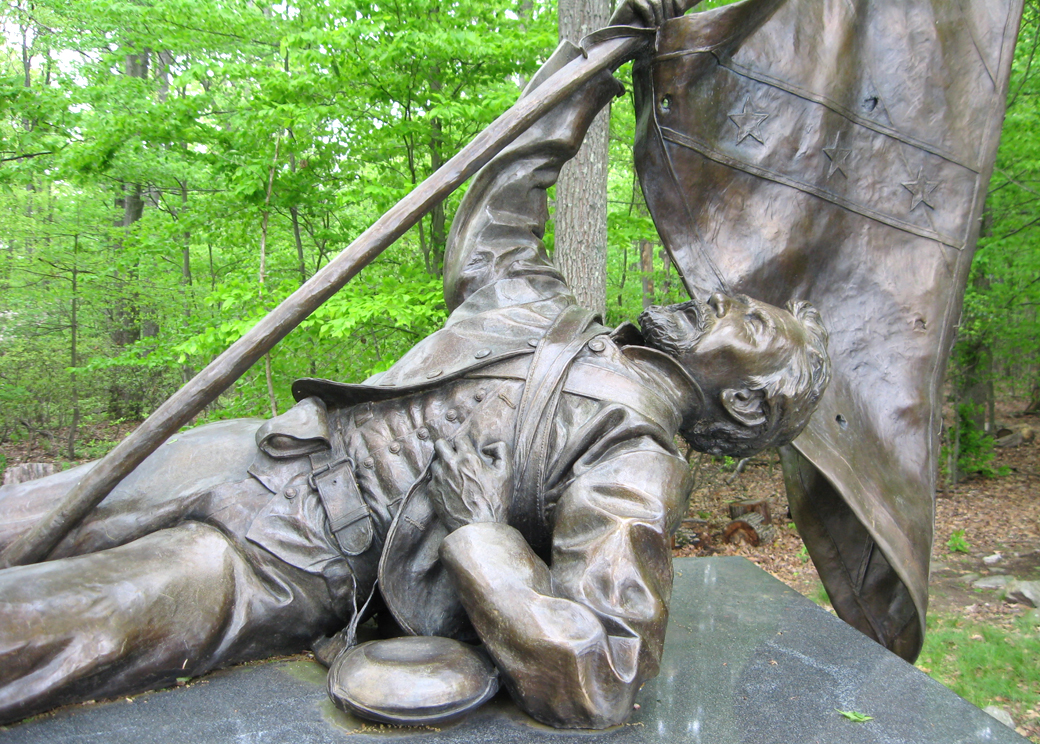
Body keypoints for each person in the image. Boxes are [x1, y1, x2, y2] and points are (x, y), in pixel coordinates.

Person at [0, 36, 829, 730]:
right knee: (17, 518)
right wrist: (590, 63)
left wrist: (481, 539)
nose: (718, 300)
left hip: (295, 554)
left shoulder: (635, 464)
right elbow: (503, 201)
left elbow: (604, 671)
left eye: (747, 325)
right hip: (263, 449)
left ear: (745, 400)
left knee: (39, 620)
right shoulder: (540, 309)